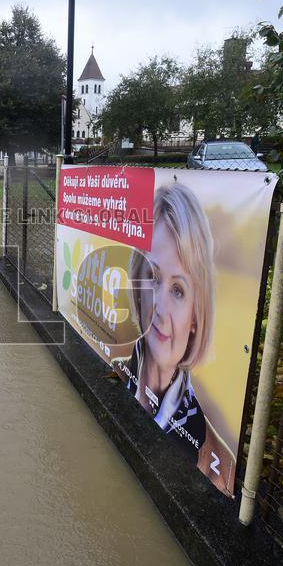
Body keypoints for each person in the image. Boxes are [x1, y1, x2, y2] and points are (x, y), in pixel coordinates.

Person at [121, 182, 235, 496]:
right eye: (154, 278)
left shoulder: (218, 466)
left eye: (178, 290)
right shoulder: (118, 371)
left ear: (196, 316)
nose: (159, 305)